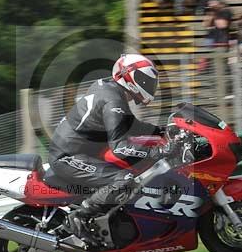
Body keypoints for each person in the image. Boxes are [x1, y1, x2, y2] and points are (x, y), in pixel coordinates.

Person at [48, 54, 163, 241]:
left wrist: (161, 131)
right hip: (67, 157)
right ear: (129, 77)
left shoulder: (110, 89)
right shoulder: (113, 101)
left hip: (81, 153)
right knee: (124, 179)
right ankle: (79, 216)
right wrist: (156, 152)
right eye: (145, 80)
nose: (150, 85)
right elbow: (120, 147)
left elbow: (129, 125)